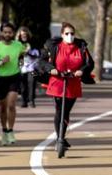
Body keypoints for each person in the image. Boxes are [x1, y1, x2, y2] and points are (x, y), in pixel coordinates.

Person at [44, 23, 95, 157]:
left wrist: (81, 71)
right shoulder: (55, 47)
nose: (70, 36)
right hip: (57, 82)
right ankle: (59, 138)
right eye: (67, 34)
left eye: (72, 33)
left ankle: (62, 135)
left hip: (73, 83)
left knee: (66, 111)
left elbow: (90, 63)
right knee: (59, 110)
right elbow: (42, 61)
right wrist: (51, 69)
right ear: (62, 35)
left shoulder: (81, 47)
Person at [0, 23, 26, 146]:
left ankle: (11, 131)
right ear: (1, 33)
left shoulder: (18, 45)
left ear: (13, 33)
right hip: (1, 79)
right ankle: (4, 130)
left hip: (14, 77)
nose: (7, 34)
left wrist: (21, 61)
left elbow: (22, 54)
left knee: (11, 104)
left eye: (10, 32)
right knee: (3, 108)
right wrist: (0, 62)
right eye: (5, 32)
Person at [16, 26, 38, 108]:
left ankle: (32, 101)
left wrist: (28, 53)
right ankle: (24, 101)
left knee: (32, 83)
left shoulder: (33, 43)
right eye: (22, 35)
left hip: (33, 68)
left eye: (25, 35)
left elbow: (37, 55)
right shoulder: (17, 44)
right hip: (22, 68)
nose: (24, 37)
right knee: (23, 85)